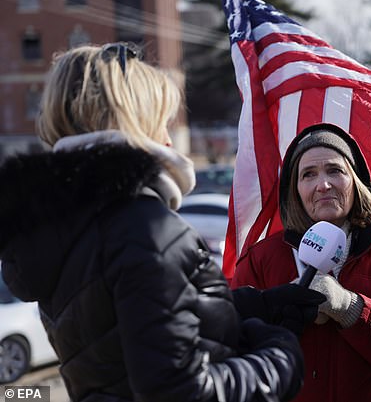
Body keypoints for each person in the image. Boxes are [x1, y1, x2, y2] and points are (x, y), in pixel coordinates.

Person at [0, 43, 325, 402]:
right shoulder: (144, 229)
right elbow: (180, 392)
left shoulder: (67, 227)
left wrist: (261, 305)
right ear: (133, 120)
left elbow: (133, 325)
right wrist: (281, 357)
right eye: (161, 120)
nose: (170, 139)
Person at [231, 123, 371, 402]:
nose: (323, 185)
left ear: (355, 181)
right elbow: (231, 358)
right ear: (295, 190)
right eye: (308, 174)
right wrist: (275, 315)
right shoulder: (260, 259)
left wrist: (351, 309)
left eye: (335, 170)